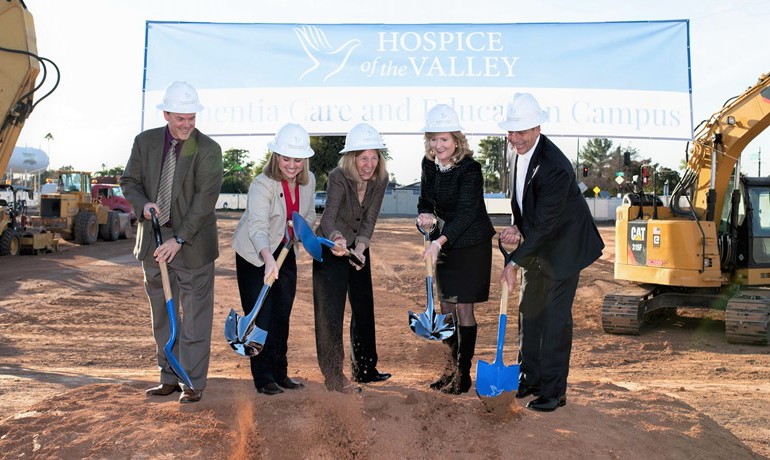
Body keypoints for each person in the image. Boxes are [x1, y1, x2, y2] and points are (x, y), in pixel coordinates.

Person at [499, 93, 604, 412]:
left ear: (537, 128)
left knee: (555, 320)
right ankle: (529, 378)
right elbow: (523, 200)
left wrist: (513, 262)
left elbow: (545, 226)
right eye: (511, 131)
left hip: (563, 249)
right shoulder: (515, 152)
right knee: (528, 312)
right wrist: (517, 225)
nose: (515, 138)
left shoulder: (555, 166)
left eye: (522, 131)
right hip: (537, 244)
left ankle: (554, 391)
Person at [121, 81, 223, 403]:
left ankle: (191, 382)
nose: (187, 124)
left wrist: (179, 239)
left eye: (191, 117)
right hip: (153, 242)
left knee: (194, 316)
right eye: (180, 118)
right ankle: (168, 375)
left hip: (192, 245)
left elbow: (204, 202)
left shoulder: (206, 149)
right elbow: (130, 182)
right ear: (166, 114)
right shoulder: (145, 142)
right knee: (163, 313)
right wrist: (144, 205)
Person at [416, 104, 496, 395]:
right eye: (434, 139)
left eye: (444, 140)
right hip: (445, 242)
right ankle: (449, 369)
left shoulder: (471, 169)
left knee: (463, 307)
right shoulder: (428, 164)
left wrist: (437, 242)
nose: (438, 146)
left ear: (457, 141)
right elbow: (425, 200)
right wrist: (424, 216)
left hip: (471, 243)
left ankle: (463, 375)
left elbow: (465, 214)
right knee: (446, 308)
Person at [232, 123, 317, 396]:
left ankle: (281, 372)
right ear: (276, 156)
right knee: (262, 316)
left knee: (282, 313)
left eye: (297, 159)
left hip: (285, 251)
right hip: (255, 255)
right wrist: (267, 259)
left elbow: (309, 217)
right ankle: (263, 376)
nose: (292, 165)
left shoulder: (310, 180)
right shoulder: (262, 184)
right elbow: (257, 227)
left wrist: (303, 232)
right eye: (286, 158)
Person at [313, 123, 391, 393]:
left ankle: (365, 369)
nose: (369, 164)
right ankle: (334, 376)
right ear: (352, 158)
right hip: (331, 245)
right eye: (363, 157)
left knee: (363, 307)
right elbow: (328, 218)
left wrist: (361, 248)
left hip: (357, 246)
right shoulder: (338, 176)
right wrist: (337, 239)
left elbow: (370, 218)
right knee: (330, 314)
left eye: (374, 157)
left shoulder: (381, 179)